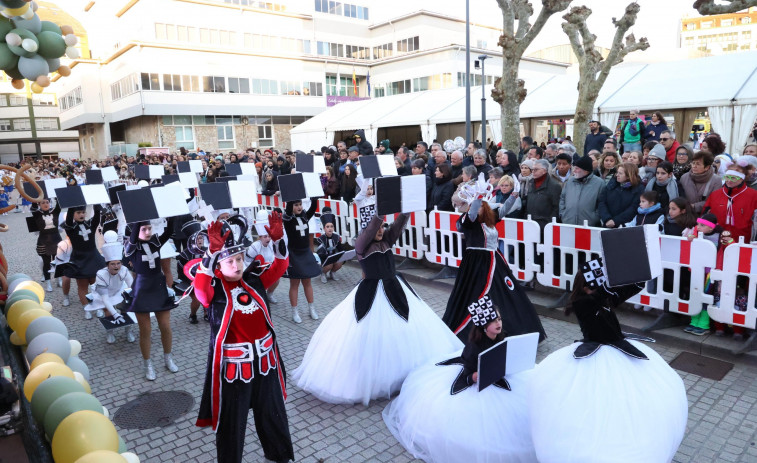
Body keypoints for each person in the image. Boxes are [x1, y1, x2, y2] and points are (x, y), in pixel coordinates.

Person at [291, 212, 462, 405]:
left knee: (403, 332)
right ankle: (379, 380)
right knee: (374, 337)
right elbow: (371, 229)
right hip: (372, 292)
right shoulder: (362, 245)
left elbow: (397, 226)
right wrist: (379, 213)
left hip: (396, 289)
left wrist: (404, 209)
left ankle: (402, 374)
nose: (381, 230)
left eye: (383, 227)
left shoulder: (387, 240)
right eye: (378, 227)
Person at [529, 260, 688, 463]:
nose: (599, 290)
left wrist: (639, 278)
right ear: (585, 287)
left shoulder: (601, 299)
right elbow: (602, 294)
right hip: (595, 357)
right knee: (598, 402)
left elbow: (623, 291)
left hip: (616, 349)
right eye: (594, 287)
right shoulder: (582, 303)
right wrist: (611, 279)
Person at [383, 298, 538, 463]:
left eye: (499, 319)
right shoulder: (474, 348)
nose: (498, 323)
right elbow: (467, 372)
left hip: (498, 373)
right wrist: (474, 377)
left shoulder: (501, 336)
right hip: (475, 377)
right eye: (493, 321)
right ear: (484, 325)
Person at [193, 215, 295, 463]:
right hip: (234, 372)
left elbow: (280, 266)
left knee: (274, 417)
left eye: (239, 259)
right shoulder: (215, 291)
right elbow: (200, 291)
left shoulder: (253, 281)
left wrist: (279, 240)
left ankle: (280, 457)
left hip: (266, 365)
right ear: (219, 265)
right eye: (230, 261)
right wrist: (210, 255)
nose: (237, 266)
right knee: (231, 426)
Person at [442, 178, 546, 342]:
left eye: (483, 205)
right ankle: (478, 331)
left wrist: (514, 195)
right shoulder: (467, 221)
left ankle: (511, 328)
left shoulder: (490, 220)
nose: (480, 208)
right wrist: (477, 198)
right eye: (477, 206)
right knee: (478, 294)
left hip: (494, 260)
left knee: (506, 293)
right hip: (476, 263)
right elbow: (472, 214)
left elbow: (504, 209)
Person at [124, 219, 178, 380]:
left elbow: (169, 231)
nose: (148, 232)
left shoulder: (155, 241)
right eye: (143, 229)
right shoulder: (131, 246)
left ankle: (168, 358)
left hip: (158, 286)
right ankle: (147, 364)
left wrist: (171, 214)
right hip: (141, 289)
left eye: (149, 228)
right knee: (145, 330)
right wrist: (138, 217)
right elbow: (133, 239)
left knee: (165, 326)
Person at [86, 231, 136, 344]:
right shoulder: (101, 274)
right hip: (105, 294)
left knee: (127, 309)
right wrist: (115, 314)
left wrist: (134, 301)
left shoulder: (124, 271)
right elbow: (105, 299)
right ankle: (110, 332)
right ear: (107, 265)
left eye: (118, 263)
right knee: (108, 312)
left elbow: (131, 288)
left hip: (120, 290)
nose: (116, 266)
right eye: (113, 264)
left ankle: (128, 331)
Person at [61, 205, 106, 311]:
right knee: (82, 286)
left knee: (95, 286)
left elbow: (96, 218)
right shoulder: (70, 228)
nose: (81, 214)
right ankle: (86, 308)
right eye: (78, 213)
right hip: (79, 259)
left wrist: (96, 205)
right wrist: (71, 205)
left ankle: (98, 306)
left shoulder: (90, 224)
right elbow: (68, 220)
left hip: (93, 258)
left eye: (83, 212)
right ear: (73, 214)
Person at [283, 199, 321, 323]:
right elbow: (288, 208)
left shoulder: (305, 216)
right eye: (296, 205)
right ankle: (295, 311)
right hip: (294, 253)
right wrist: (291, 195)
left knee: (307, 282)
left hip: (305, 252)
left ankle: (312, 308)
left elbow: (313, 207)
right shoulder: (287, 218)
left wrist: (315, 197)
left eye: (300, 204)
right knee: (295, 284)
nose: (299, 207)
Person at [703, 165, 757, 242]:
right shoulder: (715, 194)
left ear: (742, 178)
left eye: (734, 178)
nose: (729, 180)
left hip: (742, 240)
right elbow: (705, 216)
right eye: (727, 177)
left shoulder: (753, 195)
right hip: (717, 239)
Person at [559, 155, 605, 226]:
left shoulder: (599, 183)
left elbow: (602, 203)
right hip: (568, 223)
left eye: (577, 168)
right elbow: (562, 198)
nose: (574, 170)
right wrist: (563, 214)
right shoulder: (570, 181)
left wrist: (595, 218)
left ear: (586, 171)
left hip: (589, 226)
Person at [246, 210, 280, 304]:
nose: (268, 239)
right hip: (254, 274)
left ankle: (269, 294)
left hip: (267, 271)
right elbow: (247, 262)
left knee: (277, 278)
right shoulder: (254, 246)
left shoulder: (271, 245)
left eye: (269, 236)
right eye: (265, 237)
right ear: (260, 237)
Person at [598, 162, 645, 228]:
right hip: (607, 224)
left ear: (629, 175)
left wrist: (615, 221)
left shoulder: (638, 189)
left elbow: (634, 208)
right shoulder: (611, 185)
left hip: (625, 227)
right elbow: (602, 202)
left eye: (620, 173)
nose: (617, 175)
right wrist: (607, 218)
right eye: (617, 172)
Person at [31, 197, 61, 293]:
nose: (45, 204)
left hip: (56, 240)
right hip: (44, 241)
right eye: (43, 202)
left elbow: (59, 204)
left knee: (57, 261)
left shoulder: (55, 212)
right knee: (47, 263)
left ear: (49, 203)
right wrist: (35, 197)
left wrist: (57, 197)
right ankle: (48, 282)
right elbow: (33, 206)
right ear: (40, 204)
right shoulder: (37, 214)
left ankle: (58, 279)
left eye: (47, 202)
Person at [522, 159, 561, 231]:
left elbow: (556, 208)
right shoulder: (530, 183)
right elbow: (527, 204)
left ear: (544, 171)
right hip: (530, 224)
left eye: (536, 169)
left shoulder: (554, 186)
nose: (533, 171)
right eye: (532, 169)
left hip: (546, 226)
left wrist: (549, 225)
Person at [679, 151, 721, 215]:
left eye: (698, 164)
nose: (694, 166)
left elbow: (714, 201)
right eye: (693, 163)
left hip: (705, 216)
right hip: (686, 215)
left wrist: (694, 206)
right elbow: (680, 197)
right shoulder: (684, 178)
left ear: (707, 167)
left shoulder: (716, 180)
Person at [315, 210, 344, 283]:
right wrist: (329, 259)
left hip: (333, 258)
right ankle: (323, 273)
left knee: (340, 262)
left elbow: (340, 249)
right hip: (323, 259)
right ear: (324, 228)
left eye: (331, 226)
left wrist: (343, 256)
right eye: (327, 227)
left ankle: (332, 273)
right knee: (329, 264)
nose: (330, 228)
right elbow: (320, 254)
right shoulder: (320, 239)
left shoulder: (336, 237)